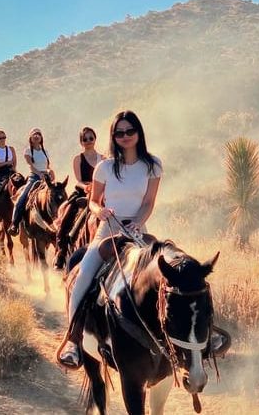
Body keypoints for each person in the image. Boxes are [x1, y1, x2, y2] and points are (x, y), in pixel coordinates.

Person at [59, 110, 162, 368]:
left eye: (130, 131)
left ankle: (188, 340)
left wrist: (137, 223)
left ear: (138, 133)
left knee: (168, 271)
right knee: (83, 275)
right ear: (113, 136)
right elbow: (94, 201)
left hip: (137, 230)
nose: (125, 136)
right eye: (119, 133)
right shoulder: (104, 167)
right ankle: (73, 338)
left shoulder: (152, 165)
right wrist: (100, 211)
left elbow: (149, 202)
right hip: (107, 230)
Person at [54, 127, 104, 270]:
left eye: (90, 138)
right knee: (68, 215)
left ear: (95, 139)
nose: (88, 141)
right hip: (83, 192)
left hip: (100, 193)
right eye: (85, 139)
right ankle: (61, 252)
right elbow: (79, 180)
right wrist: (86, 187)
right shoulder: (78, 159)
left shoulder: (103, 159)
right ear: (81, 142)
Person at [7, 128, 53, 236]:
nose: (36, 136)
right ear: (31, 138)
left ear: (41, 138)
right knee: (22, 198)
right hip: (34, 177)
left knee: (58, 195)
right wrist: (39, 174)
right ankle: (14, 224)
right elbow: (30, 166)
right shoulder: (28, 151)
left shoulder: (45, 152)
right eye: (34, 135)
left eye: (38, 134)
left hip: (46, 177)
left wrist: (50, 172)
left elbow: (48, 166)